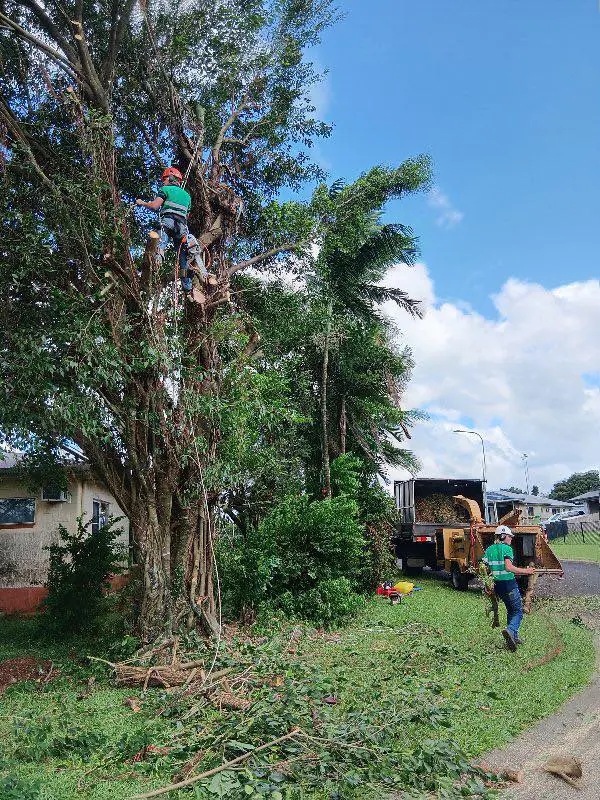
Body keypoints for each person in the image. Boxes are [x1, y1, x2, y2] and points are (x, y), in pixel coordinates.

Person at [136, 166, 205, 294]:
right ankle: (187, 285)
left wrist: (142, 203)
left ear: (171, 178)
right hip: (182, 227)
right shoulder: (187, 196)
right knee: (183, 255)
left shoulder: (165, 189)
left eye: (165, 179)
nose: (163, 181)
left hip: (167, 222)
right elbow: (186, 216)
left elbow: (155, 206)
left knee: (160, 242)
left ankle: (155, 264)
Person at [483, 525, 535, 651]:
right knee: (518, 611)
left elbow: (483, 568)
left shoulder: (489, 550)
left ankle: (514, 637)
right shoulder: (507, 549)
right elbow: (509, 567)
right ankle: (510, 630)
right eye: (509, 537)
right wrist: (526, 571)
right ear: (503, 536)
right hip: (509, 584)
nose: (511, 539)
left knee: (510, 609)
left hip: (497, 585)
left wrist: (487, 585)